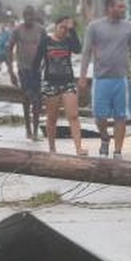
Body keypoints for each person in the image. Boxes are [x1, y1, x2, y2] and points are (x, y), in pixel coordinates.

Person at [79, 0, 131, 159]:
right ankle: (104, 137)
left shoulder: (129, 27)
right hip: (101, 79)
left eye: (123, 6)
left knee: (121, 116)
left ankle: (118, 150)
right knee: (100, 116)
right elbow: (86, 53)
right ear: (110, 8)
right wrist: (83, 76)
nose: (123, 9)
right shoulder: (94, 27)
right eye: (120, 6)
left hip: (121, 79)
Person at [34, 14, 87, 156]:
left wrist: (73, 30)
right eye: (61, 27)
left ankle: (79, 148)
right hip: (51, 83)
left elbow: (78, 49)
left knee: (73, 115)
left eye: (66, 28)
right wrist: (35, 82)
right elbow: (36, 61)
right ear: (55, 26)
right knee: (52, 118)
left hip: (68, 82)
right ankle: (52, 148)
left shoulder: (69, 40)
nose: (64, 31)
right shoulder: (46, 41)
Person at [7, 6, 47, 140]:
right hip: (23, 68)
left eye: (31, 15)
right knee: (28, 98)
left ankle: (35, 130)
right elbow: (9, 49)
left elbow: (47, 48)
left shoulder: (41, 30)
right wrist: (11, 72)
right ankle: (28, 129)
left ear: (34, 16)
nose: (29, 18)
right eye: (26, 16)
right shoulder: (17, 30)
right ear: (23, 16)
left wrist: (46, 66)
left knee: (37, 101)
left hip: (37, 69)